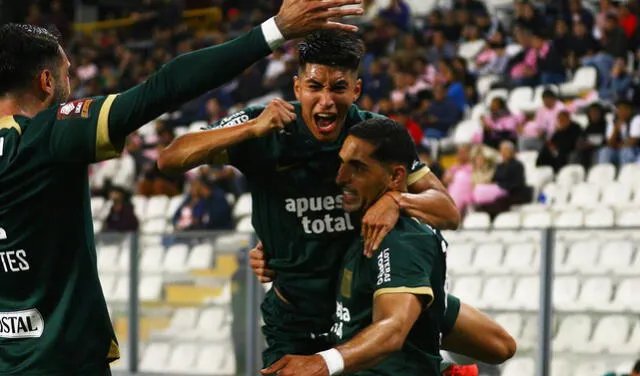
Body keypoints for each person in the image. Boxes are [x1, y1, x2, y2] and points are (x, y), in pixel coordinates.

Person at [0, 2, 365, 374]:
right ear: (46, 82)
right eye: (66, 74)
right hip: (62, 360)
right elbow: (164, 87)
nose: (70, 83)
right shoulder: (47, 135)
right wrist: (274, 30)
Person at [158, 30, 460, 367]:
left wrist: (396, 201)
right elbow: (170, 159)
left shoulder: (375, 136)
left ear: (356, 90)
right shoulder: (265, 127)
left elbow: (447, 208)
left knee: (493, 343)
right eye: (315, 87)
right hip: (295, 319)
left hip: (359, 312)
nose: (326, 101)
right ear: (297, 87)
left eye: (339, 88)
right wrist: (251, 130)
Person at [261, 118, 513, 376]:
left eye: (357, 168)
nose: (340, 177)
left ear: (395, 176)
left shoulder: (400, 239)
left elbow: (392, 330)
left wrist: (324, 362)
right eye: (342, 163)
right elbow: (501, 346)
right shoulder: (361, 231)